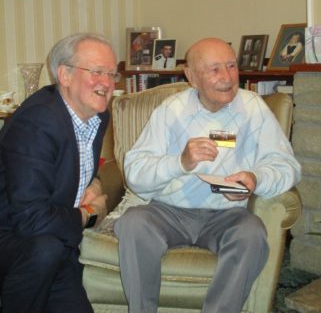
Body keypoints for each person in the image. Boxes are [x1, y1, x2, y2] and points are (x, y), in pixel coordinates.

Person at [114, 38, 301, 313]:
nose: (227, 77)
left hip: (227, 215)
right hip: (170, 212)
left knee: (251, 234)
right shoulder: (170, 110)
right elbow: (136, 173)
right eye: (214, 70)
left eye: (231, 66)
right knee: (133, 224)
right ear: (192, 77)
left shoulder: (253, 108)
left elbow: (287, 165)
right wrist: (180, 162)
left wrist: (255, 178)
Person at [0, 32, 120, 312]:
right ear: (64, 75)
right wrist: (89, 214)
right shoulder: (38, 122)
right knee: (46, 249)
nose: (107, 83)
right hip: (15, 237)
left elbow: (75, 168)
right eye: (97, 72)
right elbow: (30, 218)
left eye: (112, 74)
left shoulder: (96, 114)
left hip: (55, 239)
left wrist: (97, 184)